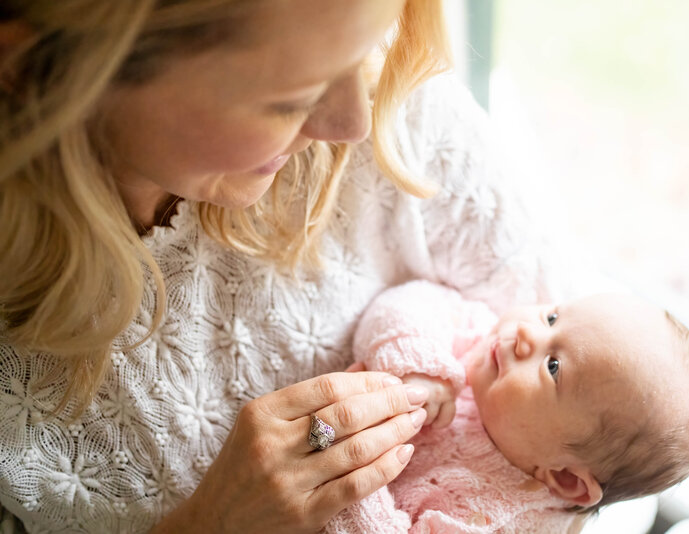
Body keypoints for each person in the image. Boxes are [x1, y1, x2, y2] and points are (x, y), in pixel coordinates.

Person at [0, 1, 560, 532]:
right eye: (291, 99)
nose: (353, 123)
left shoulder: (399, 118)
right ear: (37, 67)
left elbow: (609, 422)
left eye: (363, 48)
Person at [325, 280, 689, 533]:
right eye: (552, 317)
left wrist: (354, 472)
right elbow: (407, 300)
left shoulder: (503, 519)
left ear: (566, 479)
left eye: (553, 366)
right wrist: (417, 363)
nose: (524, 332)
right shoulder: (478, 340)